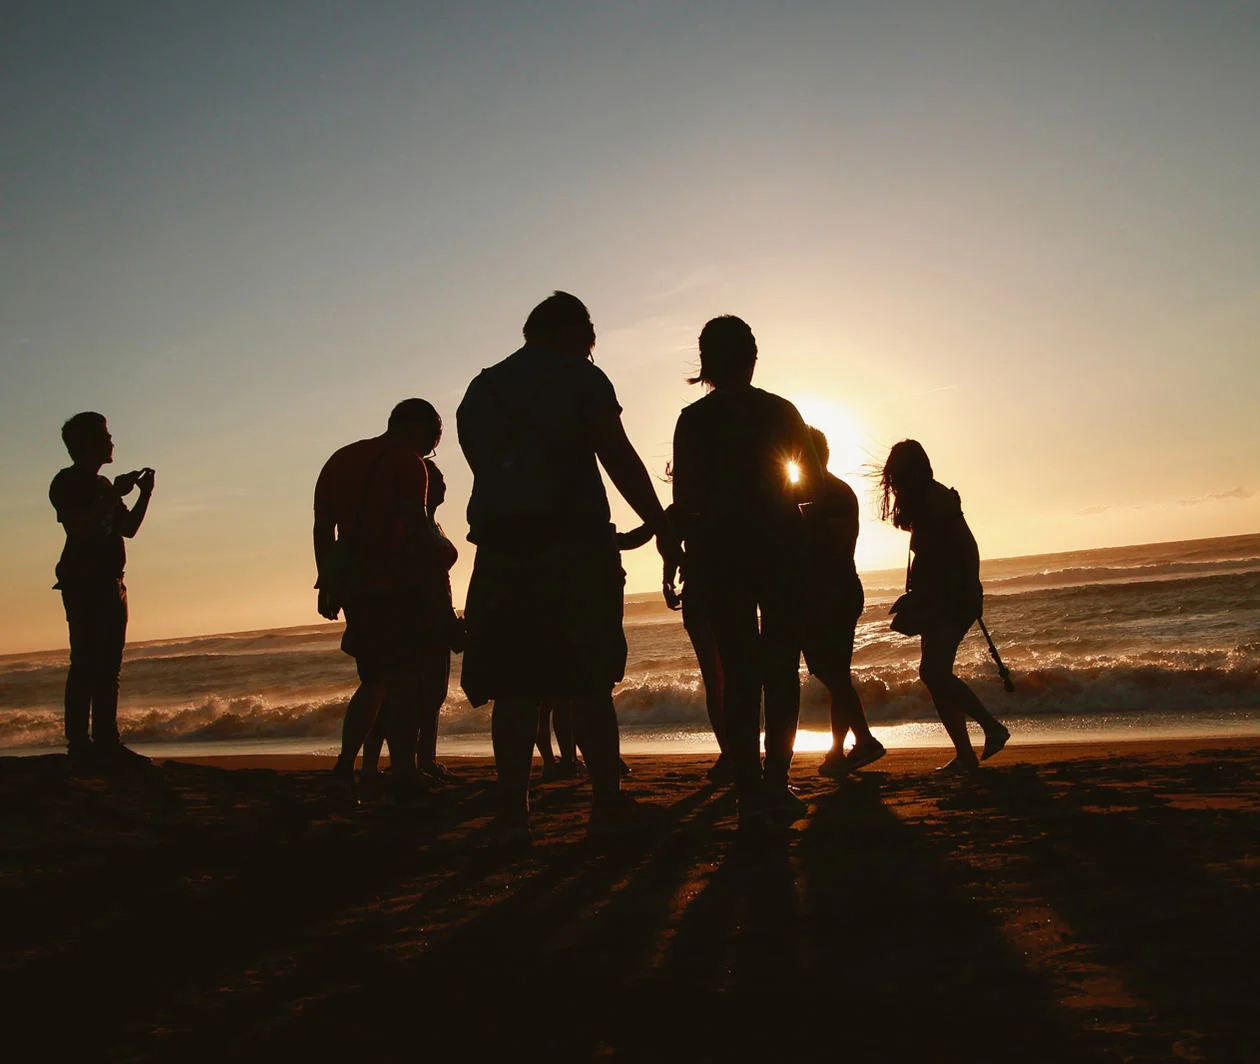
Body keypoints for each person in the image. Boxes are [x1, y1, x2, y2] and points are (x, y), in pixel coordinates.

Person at [457, 291, 681, 839]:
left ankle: (514, 809)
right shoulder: (581, 377)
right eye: (589, 331)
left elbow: (492, 470)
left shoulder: (481, 390)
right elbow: (616, 453)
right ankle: (607, 802)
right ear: (569, 330)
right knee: (588, 679)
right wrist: (661, 522)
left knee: (514, 686)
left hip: (504, 552)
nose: (592, 343)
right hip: (573, 549)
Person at [670, 316, 824, 829]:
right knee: (781, 668)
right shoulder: (781, 411)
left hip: (718, 554)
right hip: (781, 548)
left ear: (705, 363)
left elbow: (684, 501)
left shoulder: (692, 420)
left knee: (738, 673)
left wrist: (678, 556)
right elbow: (811, 487)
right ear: (753, 355)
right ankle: (777, 782)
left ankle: (749, 789)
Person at [313, 399, 444, 800]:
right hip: (399, 584)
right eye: (433, 441)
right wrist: (443, 562)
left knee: (374, 680)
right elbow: (417, 527)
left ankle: (345, 766)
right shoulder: (408, 463)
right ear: (422, 428)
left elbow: (323, 527)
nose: (430, 452)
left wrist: (329, 579)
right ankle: (403, 769)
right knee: (404, 680)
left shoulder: (340, 459)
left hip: (355, 585)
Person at [878, 439, 1010, 772]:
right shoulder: (930, 499)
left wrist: (967, 590)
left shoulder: (935, 501)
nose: (892, 483)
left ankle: (992, 727)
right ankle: (965, 753)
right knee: (935, 675)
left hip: (951, 598)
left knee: (933, 672)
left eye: (895, 475)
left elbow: (966, 548)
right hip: (938, 598)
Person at [50, 412, 155, 771]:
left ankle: (107, 741)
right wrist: (114, 493)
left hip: (112, 583)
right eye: (105, 437)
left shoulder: (102, 486)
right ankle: (80, 744)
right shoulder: (67, 483)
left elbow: (127, 529)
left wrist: (144, 495)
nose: (112, 442)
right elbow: (80, 527)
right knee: (85, 664)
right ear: (87, 445)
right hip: (84, 583)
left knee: (109, 665)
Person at [360, 457, 464, 787]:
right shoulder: (408, 526)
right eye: (438, 481)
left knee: (432, 692)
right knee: (405, 694)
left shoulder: (433, 524)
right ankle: (379, 764)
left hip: (437, 610)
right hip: (416, 614)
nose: (444, 485)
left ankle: (424, 759)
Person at [801, 426, 884, 779]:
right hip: (825, 592)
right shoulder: (808, 492)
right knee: (834, 672)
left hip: (834, 592)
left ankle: (864, 739)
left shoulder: (834, 493)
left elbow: (838, 542)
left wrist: (801, 524)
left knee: (829, 670)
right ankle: (838, 749)